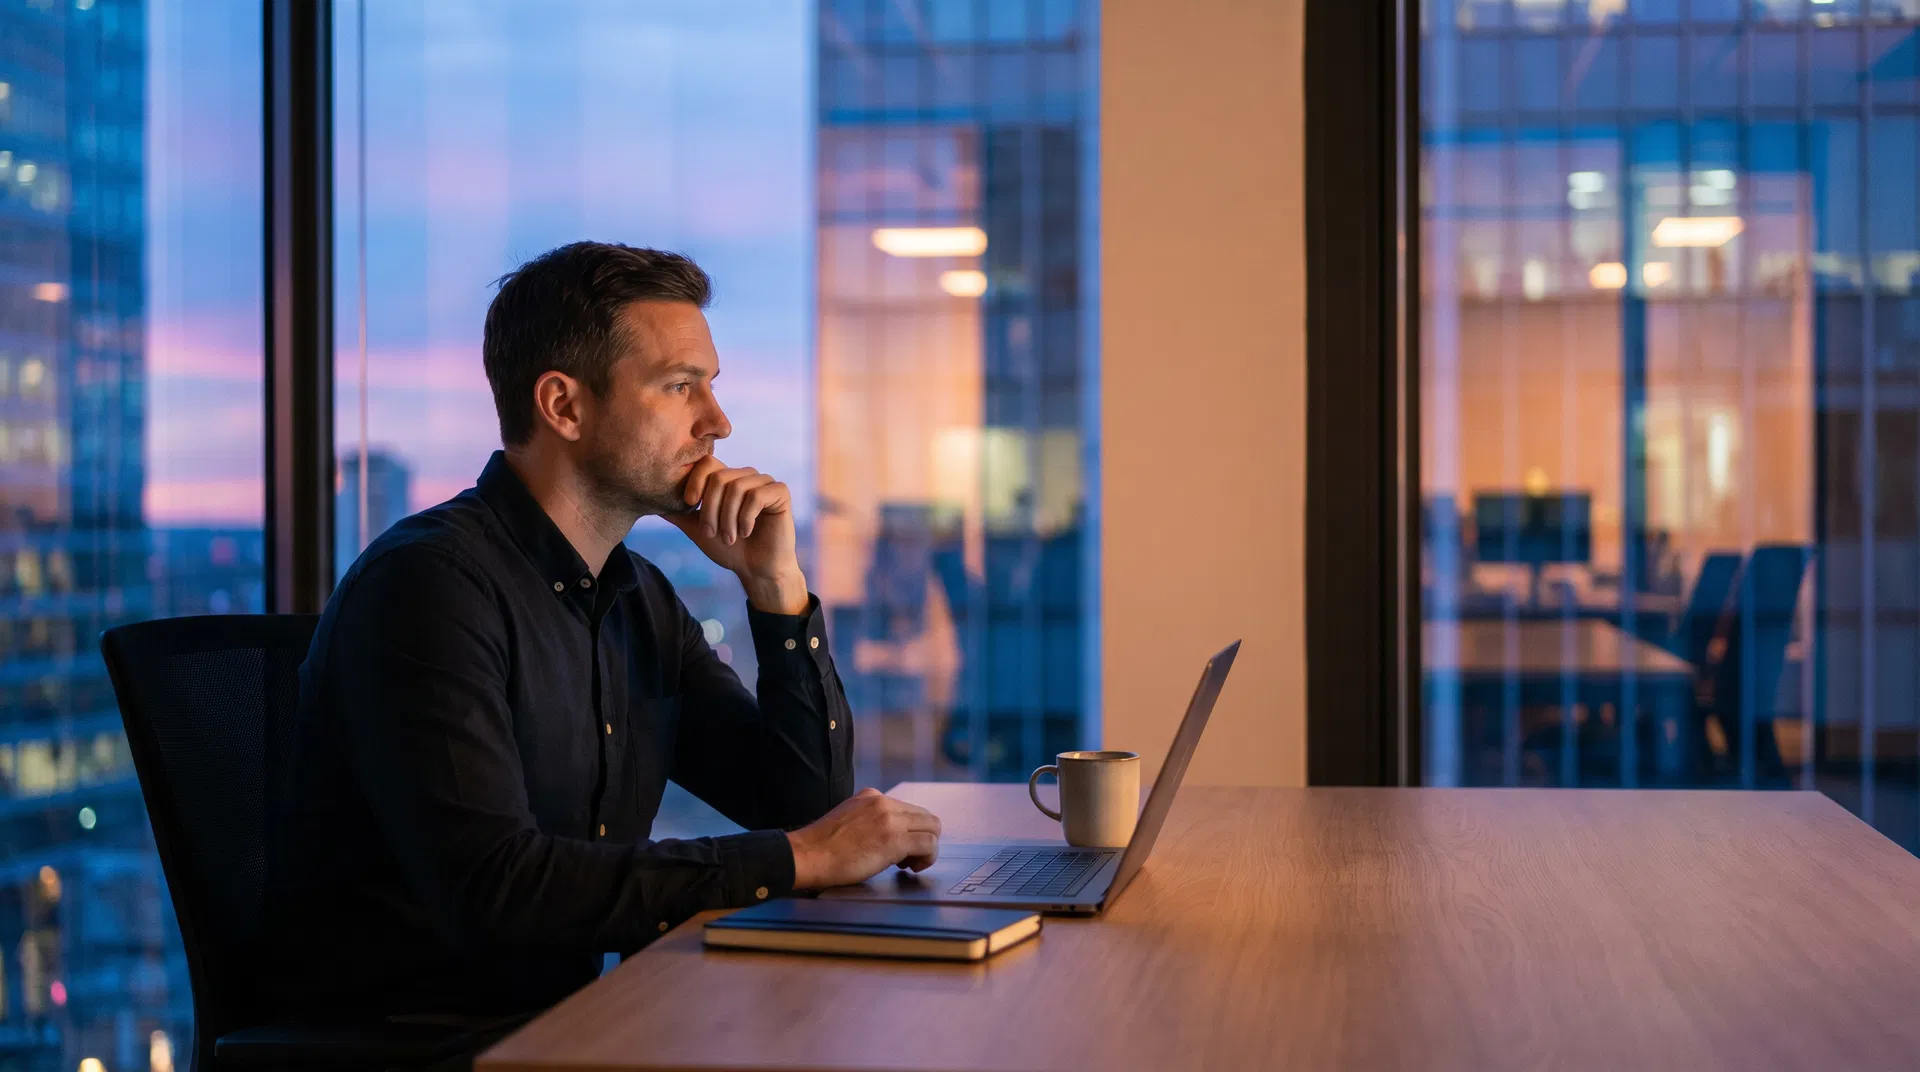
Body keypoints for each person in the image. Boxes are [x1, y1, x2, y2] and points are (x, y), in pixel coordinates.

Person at [264, 241, 942, 1033]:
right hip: (417, 1048)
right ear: (565, 407)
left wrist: (775, 592)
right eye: (679, 386)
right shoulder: (427, 587)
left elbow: (804, 803)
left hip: (578, 1023)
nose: (718, 423)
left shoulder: (636, 598)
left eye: (710, 388)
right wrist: (799, 857)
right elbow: (498, 889)